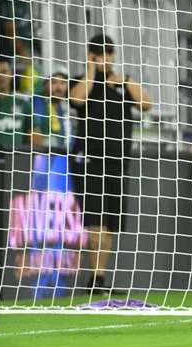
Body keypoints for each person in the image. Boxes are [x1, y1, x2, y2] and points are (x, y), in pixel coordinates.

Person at [69, 34, 152, 295]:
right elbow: (76, 100)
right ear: (92, 55)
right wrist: (91, 70)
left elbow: (146, 104)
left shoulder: (123, 83)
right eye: (100, 54)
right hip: (91, 161)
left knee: (109, 224)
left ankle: (99, 279)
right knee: (95, 222)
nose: (106, 58)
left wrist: (126, 81)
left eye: (109, 53)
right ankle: (93, 278)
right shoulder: (85, 82)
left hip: (118, 162)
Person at [0, 58, 33, 149]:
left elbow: (34, 133)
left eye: (4, 72)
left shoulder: (23, 101)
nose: (0, 76)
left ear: (11, 73)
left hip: (17, 158)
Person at [32, 65, 72, 150]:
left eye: (63, 83)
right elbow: (34, 131)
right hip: (43, 155)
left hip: (62, 156)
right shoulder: (38, 102)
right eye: (54, 82)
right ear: (44, 84)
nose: (59, 87)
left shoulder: (64, 106)